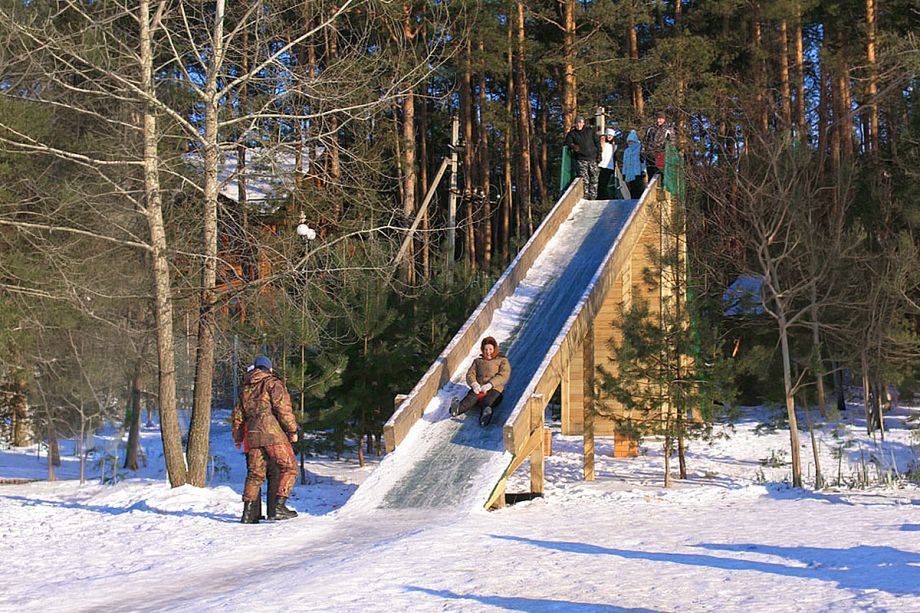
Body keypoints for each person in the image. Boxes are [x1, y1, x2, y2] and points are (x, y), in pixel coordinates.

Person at [232, 356, 299, 524]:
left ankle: (247, 514)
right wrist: (292, 430)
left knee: (255, 475)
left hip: (253, 436)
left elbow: (238, 417)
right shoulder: (272, 383)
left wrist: (238, 437)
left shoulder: (245, 389)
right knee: (290, 468)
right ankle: (279, 506)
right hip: (272, 434)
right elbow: (283, 409)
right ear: (268, 368)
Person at [449, 336, 511, 427]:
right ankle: (456, 410)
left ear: (494, 349)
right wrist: (474, 384)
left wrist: (490, 384)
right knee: (470, 399)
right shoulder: (478, 361)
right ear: (482, 350)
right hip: (479, 388)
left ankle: (485, 416)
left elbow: (503, 375)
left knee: (488, 401)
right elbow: (470, 374)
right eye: (485, 349)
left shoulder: (502, 360)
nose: (488, 352)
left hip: (495, 389)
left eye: (490, 349)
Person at [563, 115, 601, 199]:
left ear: (583, 123)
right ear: (575, 124)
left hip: (592, 157)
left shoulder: (590, 131)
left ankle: (593, 196)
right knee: (584, 178)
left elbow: (597, 142)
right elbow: (567, 142)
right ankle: (586, 195)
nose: (579, 125)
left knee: (594, 177)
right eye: (577, 123)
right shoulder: (572, 133)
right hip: (581, 158)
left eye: (580, 123)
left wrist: (599, 154)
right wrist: (573, 146)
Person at [644, 109, 674, 180]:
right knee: (651, 174)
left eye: (660, 119)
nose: (659, 120)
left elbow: (672, 142)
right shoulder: (650, 129)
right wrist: (643, 152)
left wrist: (668, 153)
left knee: (660, 173)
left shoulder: (668, 129)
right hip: (650, 154)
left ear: (664, 119)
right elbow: (645, 141)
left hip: (661, 154)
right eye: (657, 118)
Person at [622, 129, 646, 199]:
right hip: (630, 173)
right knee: (632, 190)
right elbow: (625, 163)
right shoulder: (627, 151)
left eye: (632, 141)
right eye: (629, 142)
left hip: (638, 173)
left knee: (640, 190)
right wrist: (624, 173)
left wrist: (643, 170)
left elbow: (642, 160)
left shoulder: (640, 149)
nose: (630, 143)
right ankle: (632, 202)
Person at [597, 127, 618, 199]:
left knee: (604, 183)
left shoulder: (614, 146)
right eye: (608, 135)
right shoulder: (602, 143)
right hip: (601, 165)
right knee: (600, 183)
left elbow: (615, 158)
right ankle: (600, 197)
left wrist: (614, 167)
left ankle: (605, 197)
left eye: (611, 136)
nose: (609, 137)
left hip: (609, 167)